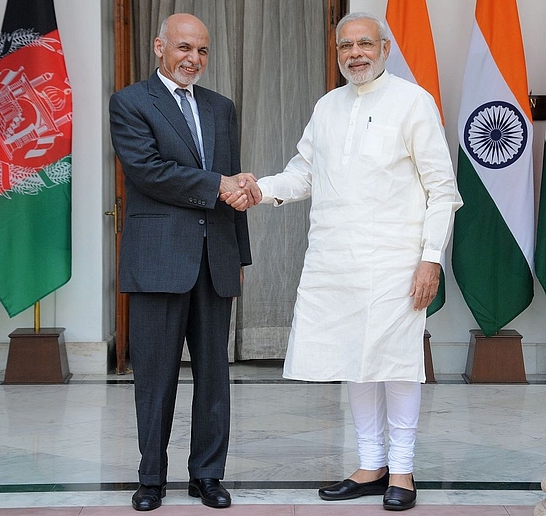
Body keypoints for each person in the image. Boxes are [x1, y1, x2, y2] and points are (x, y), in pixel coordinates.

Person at [224, 11, 462, 512]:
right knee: (357, 360)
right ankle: (370, 465)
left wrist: (431, 260)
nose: (355, 53)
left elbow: (442, 190)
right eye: (345, 47)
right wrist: (260, 189)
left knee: (397, 365)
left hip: (397, 261)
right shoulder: (328, 106)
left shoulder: (413, 103)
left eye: (364, 44)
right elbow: (302, 173)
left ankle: (402, 469)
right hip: (336, 259)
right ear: (337, 56)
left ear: (385, 48)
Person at [109, 13, 258, 512]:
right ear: (159, 47)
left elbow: (233, 181)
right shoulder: (130, 103)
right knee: (155, 377)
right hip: (157, 261)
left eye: (203, 51)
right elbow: (148, 172)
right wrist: (217, 185)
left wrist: (239, 253)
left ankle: (208, 476)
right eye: (184, 48)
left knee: (215, 377)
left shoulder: (222, 108)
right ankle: (151, 477)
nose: (193, 59)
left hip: (215, 260)